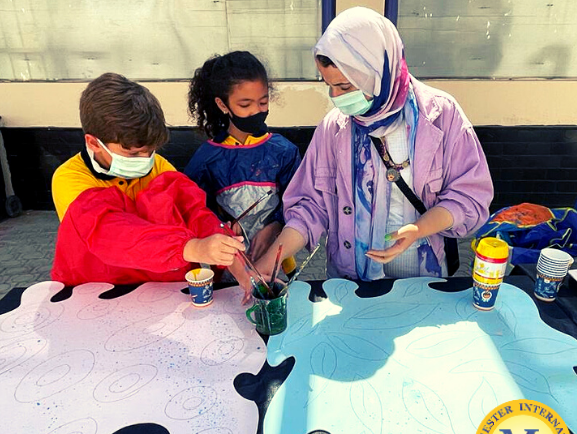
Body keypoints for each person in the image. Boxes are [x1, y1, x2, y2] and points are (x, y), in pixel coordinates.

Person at [255, 7, 493, 281]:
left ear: (376, 72)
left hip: (423, 278)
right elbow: (310, 205)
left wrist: (420, 229)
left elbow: (470, 196)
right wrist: (271, 260)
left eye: (345, 87)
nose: (336, 97)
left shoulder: (441, 116)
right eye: (329, 86)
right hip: (353, 283)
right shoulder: (335, 128)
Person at [51, 72, 249, 288]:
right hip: (98, 288)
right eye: (134, 153)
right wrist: (193, 248)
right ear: (93, 143)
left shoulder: (159, 166)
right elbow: (112, 233)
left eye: (151, 150)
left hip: (159, 285)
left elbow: (193, 211)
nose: (146, 159)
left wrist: (230, 257)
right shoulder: (70, 179)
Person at [184, 51, 301, 278]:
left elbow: (299, 201)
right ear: (222, 104)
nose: (256, 111)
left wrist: (276, 225)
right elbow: (195, 209)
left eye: (263, 102)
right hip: (230, 262)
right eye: (245, 104)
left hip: (277, 255)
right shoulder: (207, 158)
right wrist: (220, 225)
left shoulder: (284, 151)